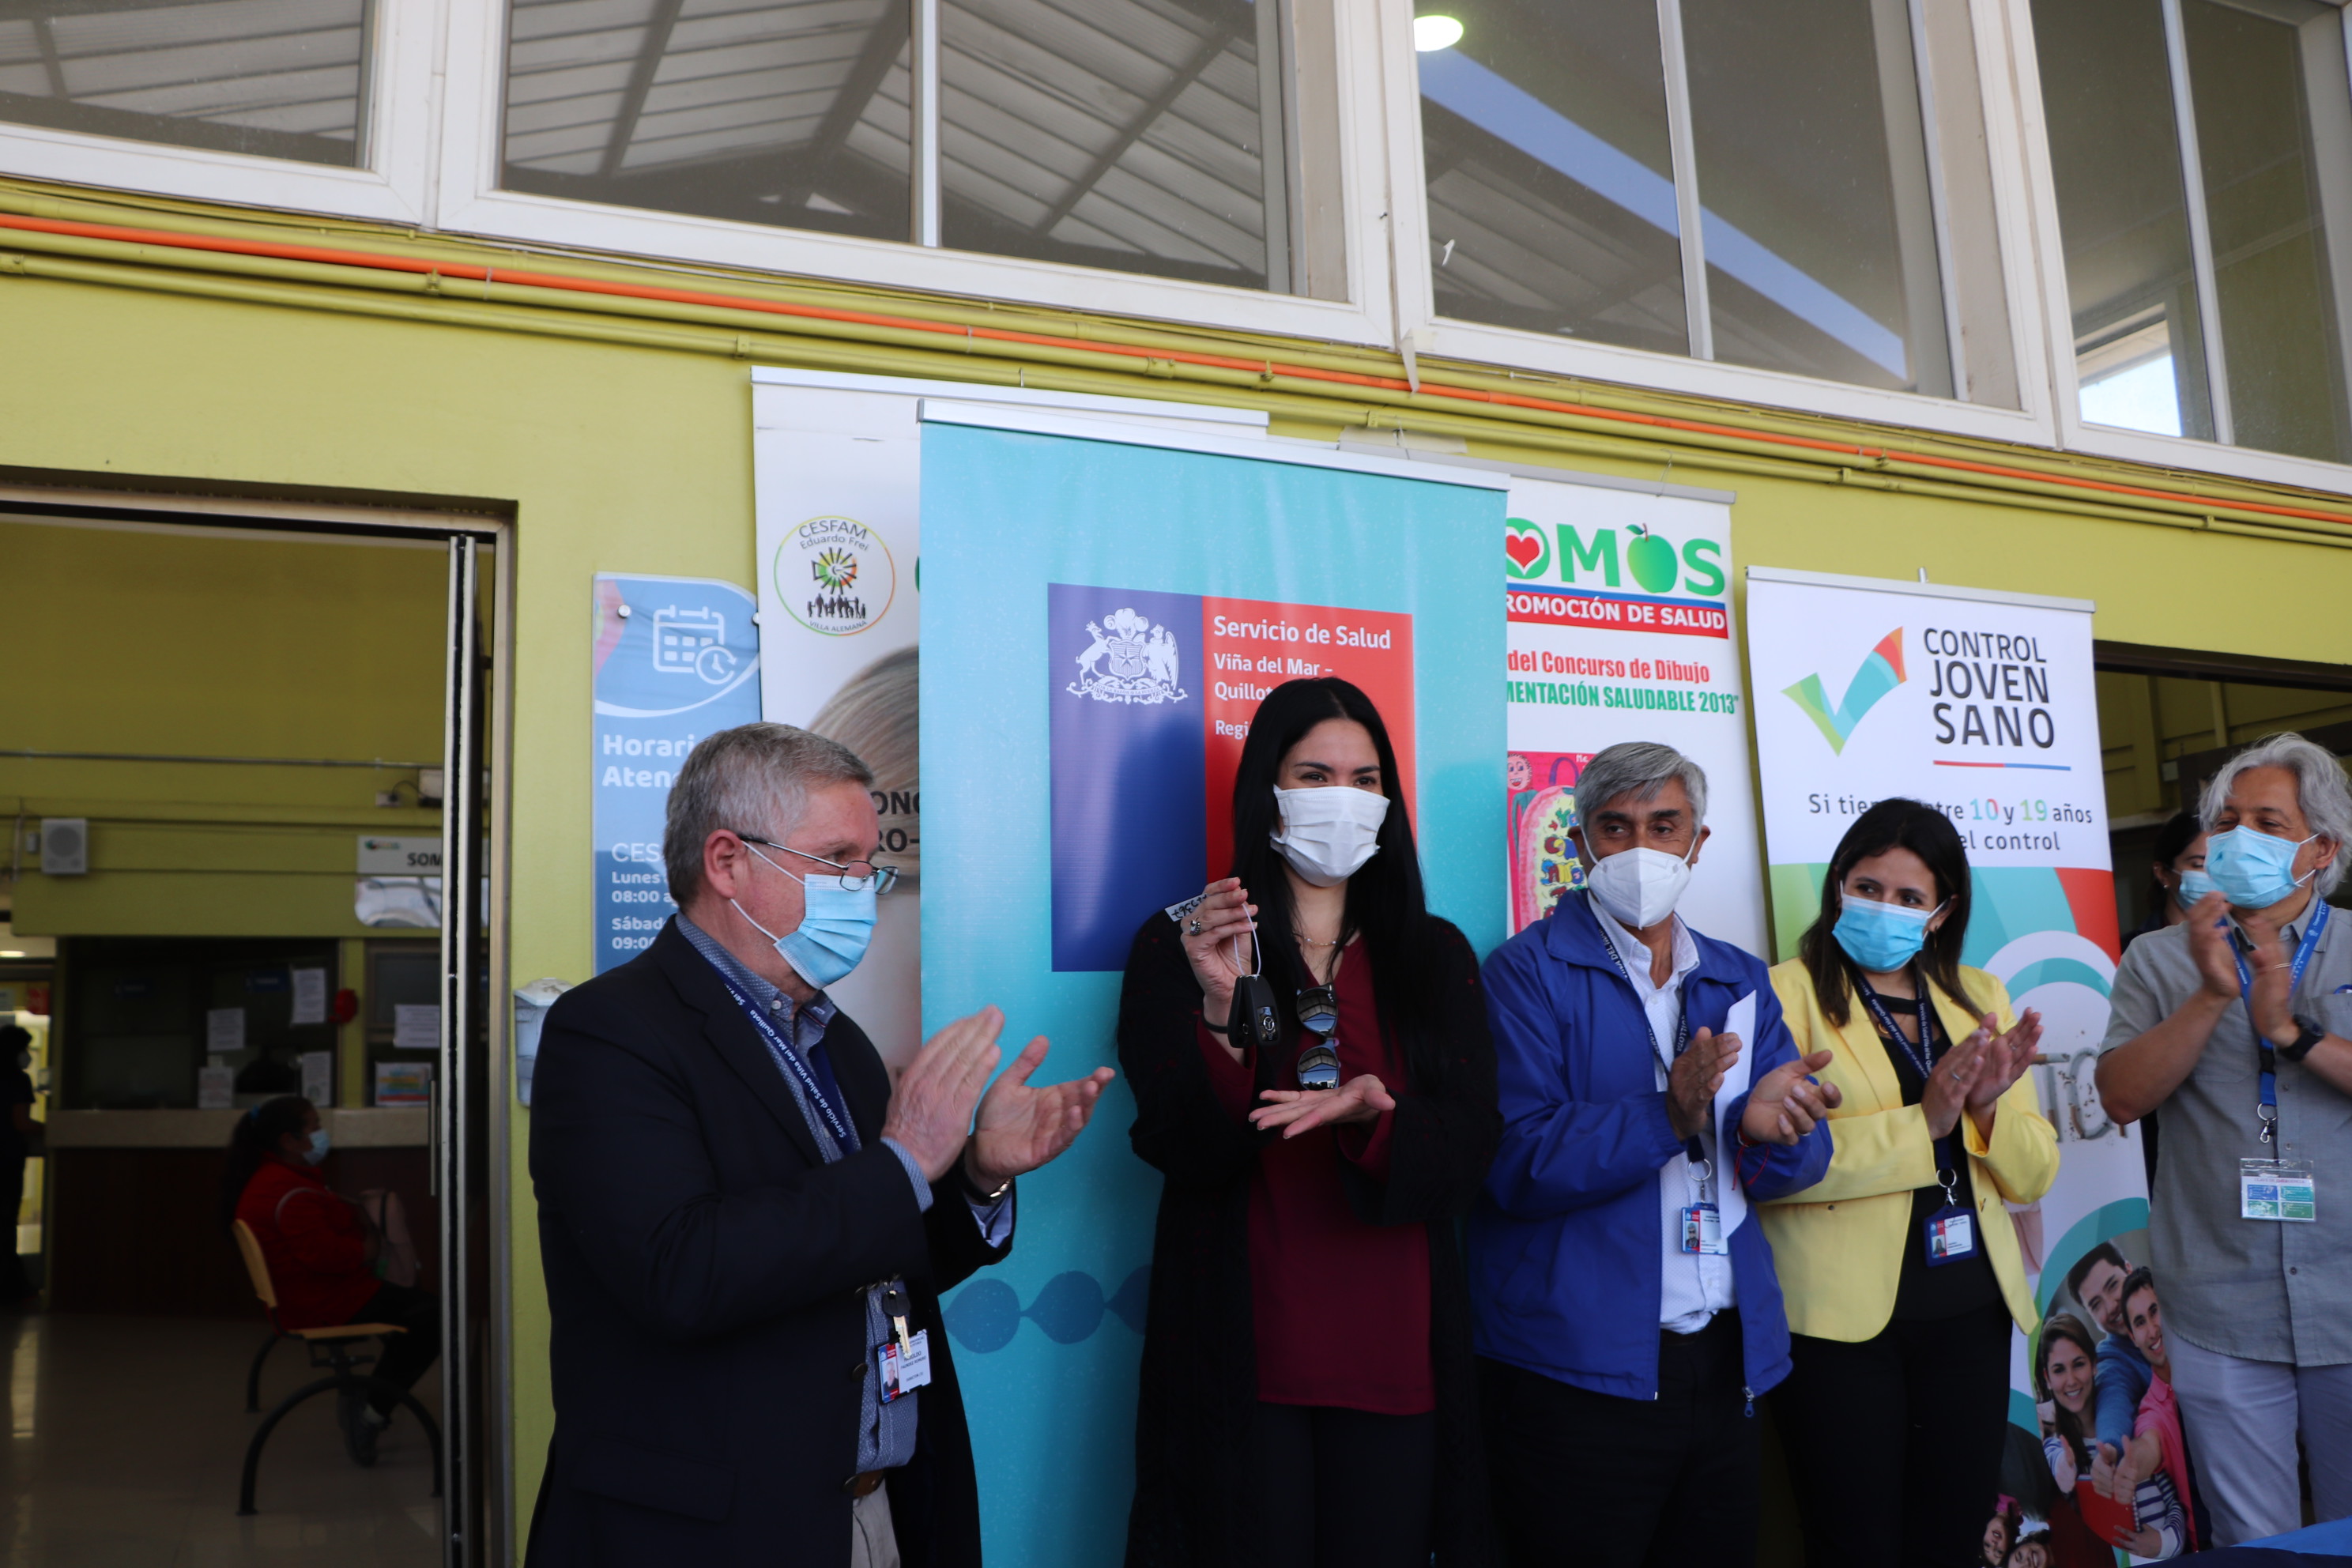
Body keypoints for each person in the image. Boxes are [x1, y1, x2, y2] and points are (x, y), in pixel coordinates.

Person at [527, 723, 1114, 1568]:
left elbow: (879, 1253)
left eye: (870, 865)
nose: (862, 888)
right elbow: (679, 1272)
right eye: (837, 859)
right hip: (710, 1529)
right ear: (726, 862)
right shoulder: (610, 1031)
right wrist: (903, 1162)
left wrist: (977, 1175)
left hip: (877, 1507)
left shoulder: (837, 1040)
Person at [1118, 677, 1501, 1566]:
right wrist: (1222, 1012)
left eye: (1366, 780)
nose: (1344, 798)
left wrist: (1380, 1119)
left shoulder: (1434, 953)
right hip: (1244, 1353)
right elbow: (1180, 1144)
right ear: (1269, 788)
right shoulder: (1182, 942)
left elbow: (1473, 1145)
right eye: (1316, 775)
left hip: (1396, 1349)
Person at [1471, 741, 1839, 1568]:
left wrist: (1773, 1134)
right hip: (1576, 1371)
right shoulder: (1522, 974)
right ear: (1580, 844)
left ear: (1698, 842)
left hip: (1726, 1358)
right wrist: (1668, 1116)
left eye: (1664, 826)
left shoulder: (1739, 978)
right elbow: (1512, 1160)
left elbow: (1793, 1167)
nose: (1641, 847)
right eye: (1616, 827)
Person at [1762, 797, 2060, 1568]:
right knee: (1853, 1543)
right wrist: (1922, 1122)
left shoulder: (1978, 996)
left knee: (1951, 1538)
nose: (1884, 908)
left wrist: (1985, 1111)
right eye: (1867, 888)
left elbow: (2034, 1171)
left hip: (1970, 1312)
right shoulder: (1783, 994)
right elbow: (1774, 1166)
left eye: (1908, 897)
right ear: (1838, 885)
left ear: (1942, 912)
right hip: (1839, 1328)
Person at [2097, 731, 2352, 1545]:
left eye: (2269, 824)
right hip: (2218, 1305)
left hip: (2348, 1291)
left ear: (2322, 849)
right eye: (2229, 820)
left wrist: (2291, 1034)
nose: (2240, 837)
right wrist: (2211, 996)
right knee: (2257, 1544)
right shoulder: (2157, 960)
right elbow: (2121, 1096)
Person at [223, 1095, 440, 1464]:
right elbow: (329, 1257)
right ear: (290, 1141)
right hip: (324, 1302)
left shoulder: (275, 1178)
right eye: (315, 1126)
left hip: (315, 1292)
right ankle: (371, 1413)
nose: (322, 1133)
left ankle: (376, 1394)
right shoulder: (287, 1191)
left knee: (419, 1308)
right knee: (434, 1319)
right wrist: (368, 1245)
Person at [2086, 1268, 2196, 1562]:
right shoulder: (2152, 1407)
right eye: (2139, 1322)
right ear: (2132, 1336)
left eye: (2154, 1312)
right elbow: (2147, 1439)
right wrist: (2119, 1455)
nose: (2152, 1329)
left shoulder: (2214, 1363)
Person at [2126, 812, 2207, 1188]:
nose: (2212, 876)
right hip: (2151, 1130)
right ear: (2163, 873)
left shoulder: (2250, 948)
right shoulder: (2132, 952)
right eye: (2198, 865)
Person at [2034, 1313, 2131, 1567]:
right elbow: (2057, 1460)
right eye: (2059, 1370)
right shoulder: (2053, 1444)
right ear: (2047, 1378)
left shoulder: (2125, 1414)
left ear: (2094, 1364)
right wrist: (2066, 1470)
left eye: (2078, 1364)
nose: (2071, 1381)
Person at [2060, 1241, 2150, 1455]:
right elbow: (2113, 1400)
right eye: (2096, 1304)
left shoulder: (2173, 1305)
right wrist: (2109, 1447)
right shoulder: (2112, 1360)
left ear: (2128, 1269)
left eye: (2113, 1286)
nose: (2111, 1306)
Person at [0, 1023, 38, 1304]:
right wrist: (51, 1129)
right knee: (5, 1222)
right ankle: (12, 1289)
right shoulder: (17, 1080)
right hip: (7, 1159)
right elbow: (22, 1123)